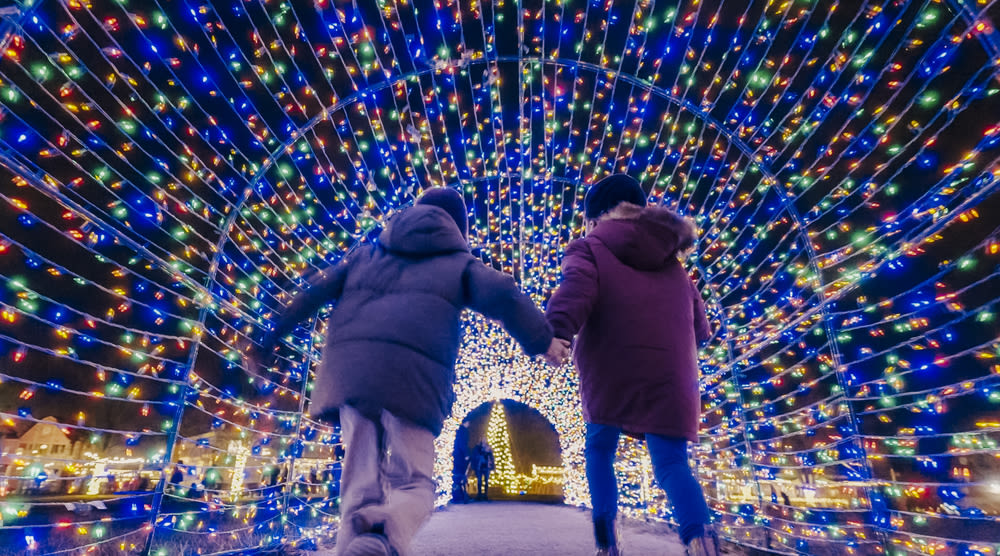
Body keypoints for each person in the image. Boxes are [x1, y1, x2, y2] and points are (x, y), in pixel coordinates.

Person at [250, 187, 568, 556]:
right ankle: (384, 533)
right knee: (414, 482)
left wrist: (264, 341)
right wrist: (543, 340)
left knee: (358, 481)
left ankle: (354, 546)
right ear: (458, 228)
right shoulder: (458, 263)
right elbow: (503, 293)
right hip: (414, 383)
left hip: (351, 377)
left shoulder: (365, 255)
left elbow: (311, 291)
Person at [544, 174, 718, 556]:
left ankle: (608, 541)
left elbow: (576, 289)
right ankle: (702, 541)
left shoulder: (589, 247)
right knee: (671, 463)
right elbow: (702, 328)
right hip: (672, 375)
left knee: (600, 447)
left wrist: (557, 332)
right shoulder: (673, 261)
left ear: (596, 217)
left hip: (611, 367)